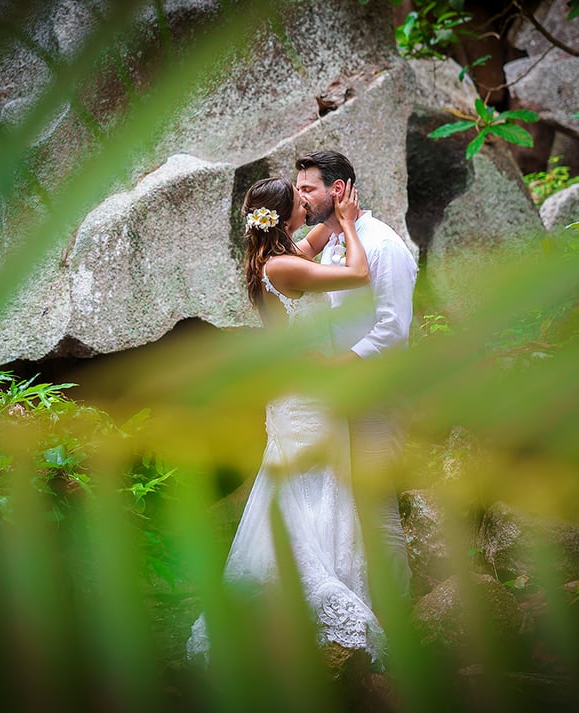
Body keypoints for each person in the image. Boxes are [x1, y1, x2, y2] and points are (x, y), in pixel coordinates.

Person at [187, 176, 387, 666]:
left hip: (296, 397)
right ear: (283, 216)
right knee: (316, 489)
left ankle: (284, 603)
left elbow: (311, 241)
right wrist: (349, 227)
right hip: (308, 402)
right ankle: (319, 596)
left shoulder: (272, 259)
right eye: (301, 201)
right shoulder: (285, 266)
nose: (307, 205)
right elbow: (358, 274)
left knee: (298, 491)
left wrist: (333, 214)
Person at [294, 150, 417, 599]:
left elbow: (393, 329)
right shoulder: (330, 238)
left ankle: (401, 616)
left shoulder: (384, 246)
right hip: (335, 398)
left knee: (375, 506)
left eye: (308, 189)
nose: (300, 197)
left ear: (338, 190)